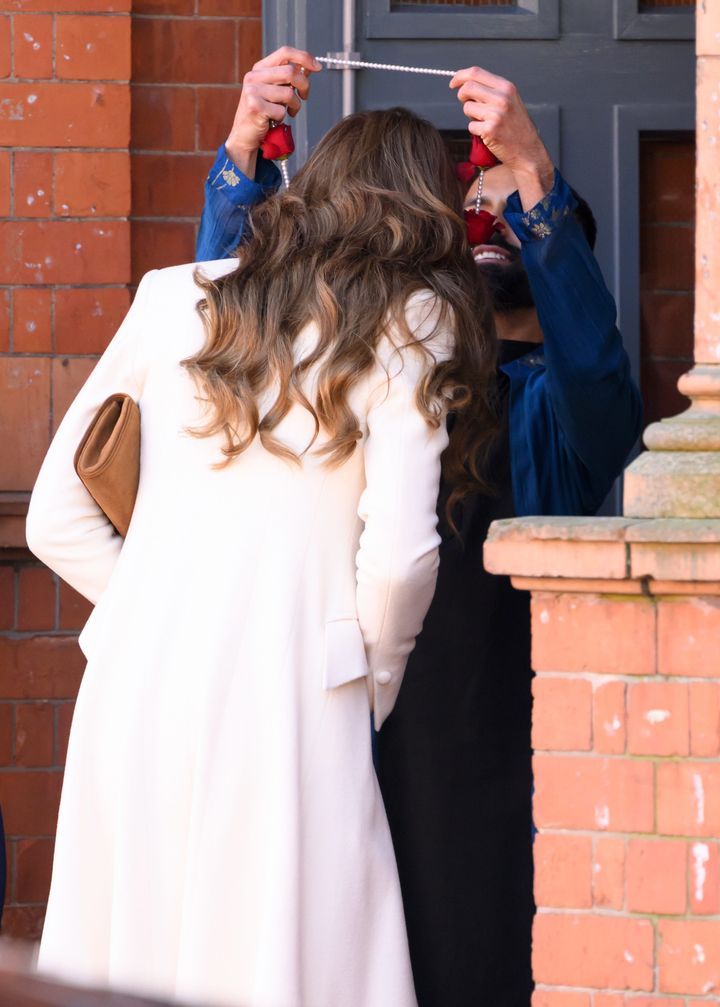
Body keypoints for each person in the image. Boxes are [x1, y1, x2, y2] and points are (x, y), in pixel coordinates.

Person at [195, 49, 643, 1007]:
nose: (489, 220)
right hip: (338, 743)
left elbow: (604, 392)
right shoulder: (384, 386)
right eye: (471, 208)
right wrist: (244, 158)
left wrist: (533, 173)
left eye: (514, 215)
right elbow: (233, 347)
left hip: (482, 773)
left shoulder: (553, 411)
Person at [25, 107, 500, 1007]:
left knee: (133, 952)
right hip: (292, 693)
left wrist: (156, 613)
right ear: (424, 208)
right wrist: (369, 681)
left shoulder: (171, 295)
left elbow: (57, 516)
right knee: (284, 961)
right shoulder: (416, 316)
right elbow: (400, 559)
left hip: (134, 685)